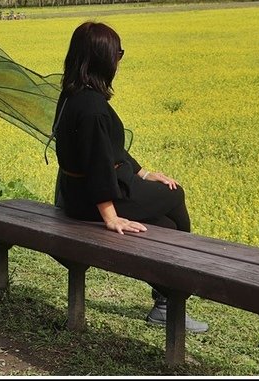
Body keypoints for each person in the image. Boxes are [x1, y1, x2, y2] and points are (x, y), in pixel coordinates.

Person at [52, 20, 209, 333]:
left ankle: (167, 302)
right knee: (175, 194)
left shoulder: (71, 94)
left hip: (74, 194)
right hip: (93, 200)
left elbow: (110, 150)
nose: (119, 60)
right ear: (101, 60)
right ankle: (173, 298)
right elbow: (99, 165)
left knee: (164, 227)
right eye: (117, 54)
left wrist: (146, 173)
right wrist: (111, 218)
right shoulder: (93, 107)